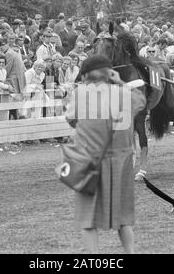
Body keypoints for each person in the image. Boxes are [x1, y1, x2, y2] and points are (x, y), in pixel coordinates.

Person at [59, 55, 146, 254]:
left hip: (89, 160)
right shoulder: (125, 94)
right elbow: (141, 101)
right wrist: (122, 83)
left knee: (87, 217)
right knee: (124, 216)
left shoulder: (80, 94)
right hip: (121, 161)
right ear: (109, 73)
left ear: (86, 75)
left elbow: (71, 119)